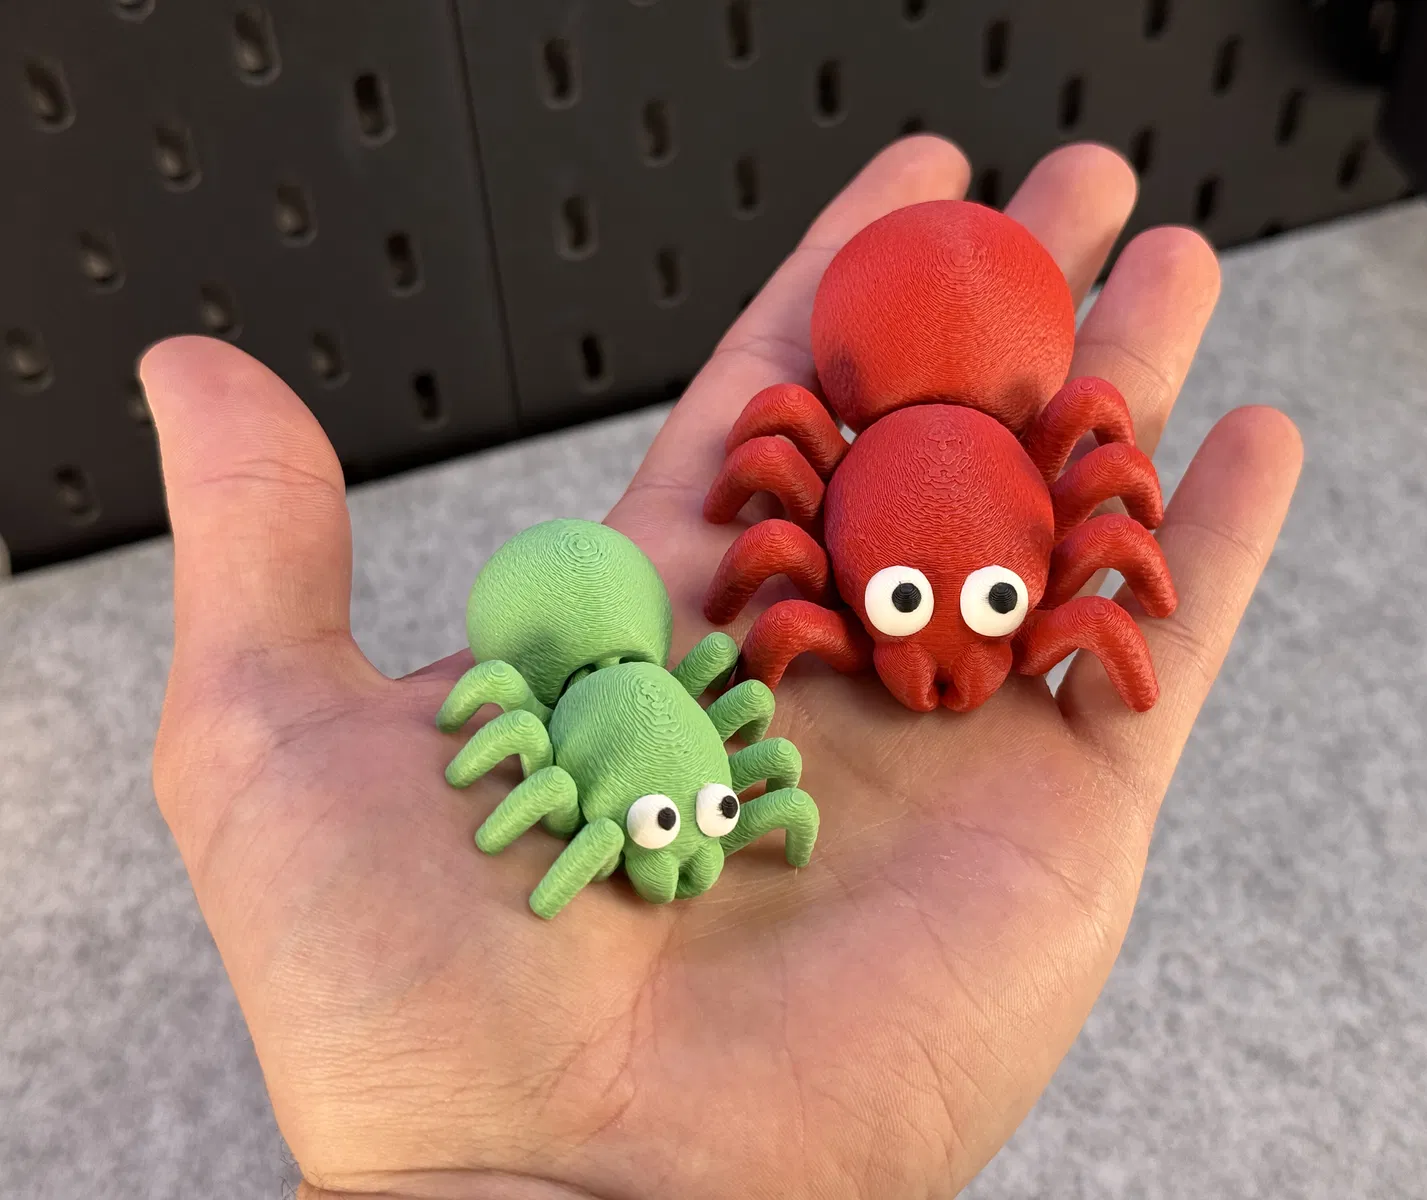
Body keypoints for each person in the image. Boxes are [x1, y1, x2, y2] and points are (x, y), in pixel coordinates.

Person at [141, 138, 1302, 1199]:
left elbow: (1082, 519)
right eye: (892, 604)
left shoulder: (830, 610)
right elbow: (767, 595)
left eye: (1010, 603)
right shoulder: (757, 594)